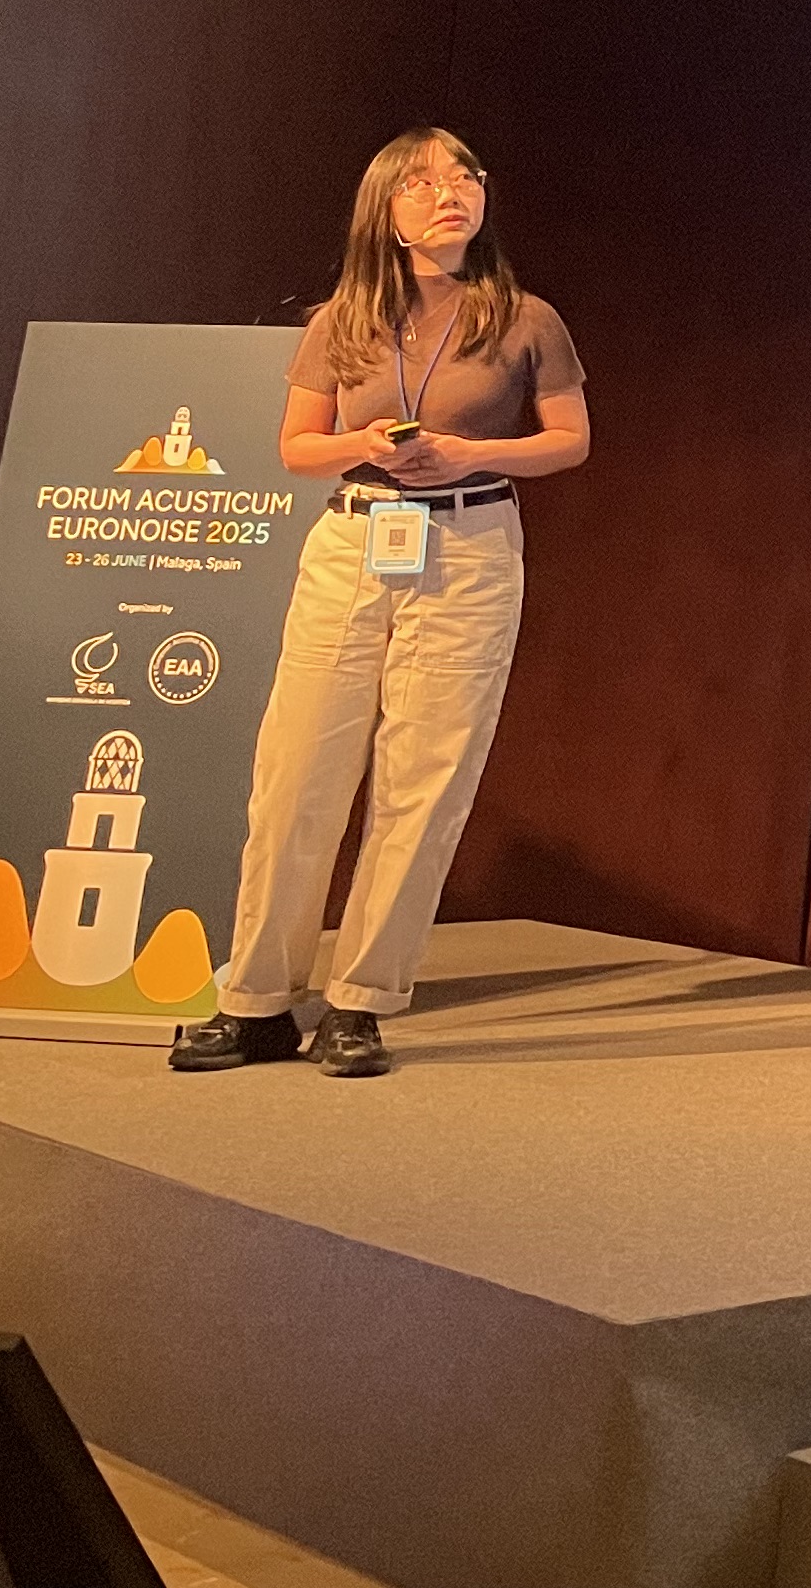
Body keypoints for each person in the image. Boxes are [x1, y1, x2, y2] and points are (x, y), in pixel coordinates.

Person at [171, 129, 587, 1078]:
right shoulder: (342, 320)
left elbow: (569, 439)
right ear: (387, 212)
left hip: (471, 544)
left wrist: (471, 452)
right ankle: (257, 1002)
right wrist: (365, 444)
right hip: (354, 539)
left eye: (466, 177)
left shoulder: (526, 318)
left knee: (425, 780)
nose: (451, 193)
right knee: (296, 774)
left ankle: (359, 1002)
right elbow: (296, 448)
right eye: (425, 183)